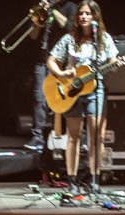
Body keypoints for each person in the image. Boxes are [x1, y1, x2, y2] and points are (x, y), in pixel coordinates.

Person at [45, 1, 117, 192]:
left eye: (88, 14)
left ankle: (95, 180)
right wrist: (61, 74)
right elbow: (51, 60)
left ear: (96, 17)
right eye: (81, 14)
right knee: (73, 137)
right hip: (72, 92)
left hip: (97, 90)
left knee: (97, 137)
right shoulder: (70, 38)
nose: (84, 17)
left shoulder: (104, 39)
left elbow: (113, 61)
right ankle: (73, 181)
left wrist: (115, 64)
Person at [26, 2, 75, 152]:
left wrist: (53, 12)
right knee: (39, 98)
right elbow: (32, 36)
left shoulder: (70, 7)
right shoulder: (42, 9)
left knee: (63, 100)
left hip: (61, 62)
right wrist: (38, 20)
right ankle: (38, 136)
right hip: (42, 60)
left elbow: (70, 28)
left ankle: (67, 136)